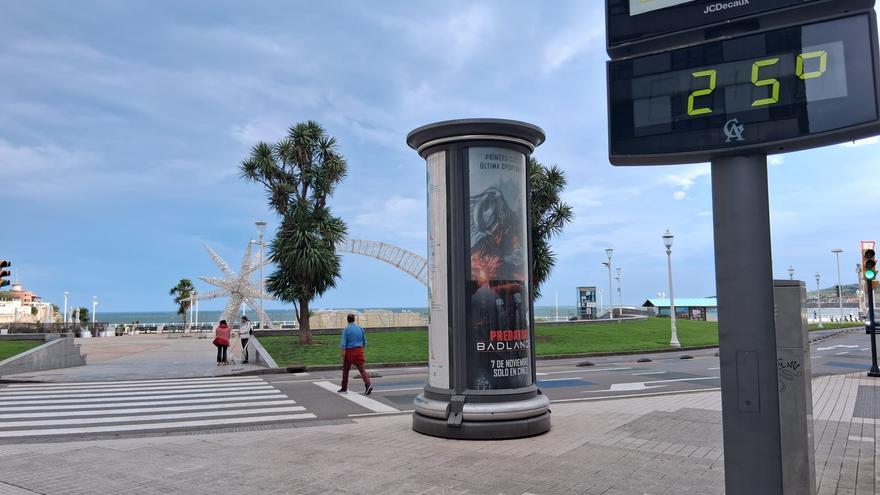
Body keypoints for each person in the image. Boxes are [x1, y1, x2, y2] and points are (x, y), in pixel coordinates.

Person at [338, 314, 372, 395]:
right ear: (354, 320)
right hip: (359, 350)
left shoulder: (346, 330)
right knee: (362, 369)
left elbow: (343, 344)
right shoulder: (360, 328)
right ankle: (368, 384)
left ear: (347, 320)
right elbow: (364, 342)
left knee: (346, 370)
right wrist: (362, 350)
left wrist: (342, 355)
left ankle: (344, 387)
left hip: (349, 351)